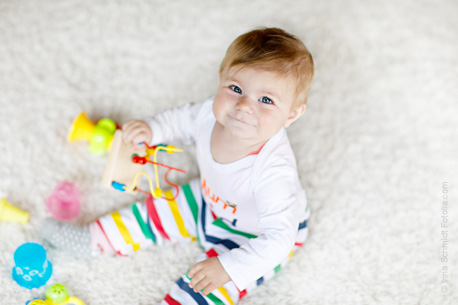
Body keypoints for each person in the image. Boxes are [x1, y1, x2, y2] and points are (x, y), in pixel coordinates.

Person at [43, 27, 314, 305]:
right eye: (235, 89)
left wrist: (228, 267)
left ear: (291, 114)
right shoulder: (210, 113)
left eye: (266, 100)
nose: (245, 105)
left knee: (202, 292)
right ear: (221, 79)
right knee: (152, 212)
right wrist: (152, 129)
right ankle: (95, 238)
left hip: (254, 237)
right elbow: (181, 120)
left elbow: (278, 241)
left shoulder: (274, 171)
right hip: (210, 200)